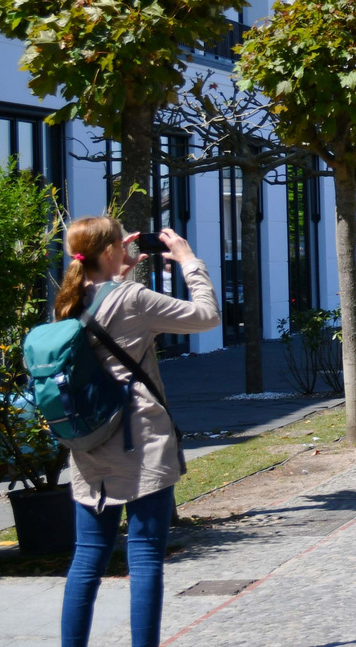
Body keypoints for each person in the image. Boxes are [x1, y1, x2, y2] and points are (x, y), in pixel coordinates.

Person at [58, 216, 218, 647]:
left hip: (89, 441)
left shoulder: (68, 300)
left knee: (88, 558)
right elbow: (207, 316)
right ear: (111, 251)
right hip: (140, 439)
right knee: (145, 556)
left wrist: (116, 275)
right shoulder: (133, 298)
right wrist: (189, 261)